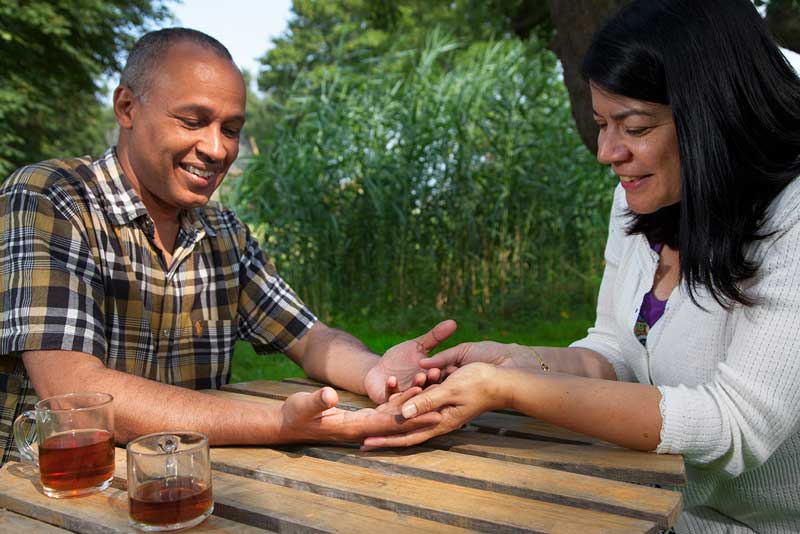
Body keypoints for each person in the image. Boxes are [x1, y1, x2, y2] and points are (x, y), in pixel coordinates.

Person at [364, 0, 800, 531]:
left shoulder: (791, 216)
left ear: (717, 115)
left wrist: (512, 390)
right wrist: (517, 361)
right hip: (654, 515)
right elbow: (613, 351)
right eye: (601, 124)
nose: (606, 152)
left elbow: (734, 426)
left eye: (634, 127)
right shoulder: (639, 199)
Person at [0, 28, 455, 465]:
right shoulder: (50, 198)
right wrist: (281, 422)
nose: (216, 149)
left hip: (188, 487)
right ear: (127, 107)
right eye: (193, 121)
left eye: (231, 129)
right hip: (47, 498)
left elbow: (311, 339)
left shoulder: (224, 231)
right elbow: (72, 391)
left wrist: (377, 371)